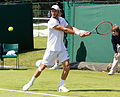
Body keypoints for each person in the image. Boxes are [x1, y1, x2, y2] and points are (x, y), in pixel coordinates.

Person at [22, 5, 90, 92]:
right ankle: (30, 83)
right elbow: (64, 30)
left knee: (67, 66)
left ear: (58, 12)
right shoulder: (51, 22)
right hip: (51, 49)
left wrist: (81, 31)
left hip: (61, 47)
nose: (53, 13)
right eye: (52, 11)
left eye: (55, 11)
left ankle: (61, 86)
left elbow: (70, 28)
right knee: (42, 67)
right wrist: (78, 34)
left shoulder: (62, 20)